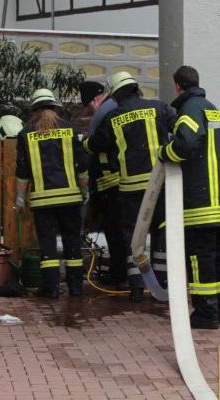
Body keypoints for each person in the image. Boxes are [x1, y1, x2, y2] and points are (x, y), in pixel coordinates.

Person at [84, 72, 176, 302]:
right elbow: (179, 129)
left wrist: (82, 142)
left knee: (133, 237)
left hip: (130, 187)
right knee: (161, 232)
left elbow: (97, 144)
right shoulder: (160, 108)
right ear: (136, 88)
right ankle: (162, 286)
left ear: (115, 94)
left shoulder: (114, 116)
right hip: (159, 184)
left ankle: (136, 288)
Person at [157, 65, 220, 329]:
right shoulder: (213, 108)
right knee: (214, 257)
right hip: (217, 198)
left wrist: (164, 153)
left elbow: (185, 144)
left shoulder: (189, 110)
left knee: (199, 260)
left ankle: (205, 313)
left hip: (198, 200)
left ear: (178, 85)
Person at [15, 88, 88, 299]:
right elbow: (82, 165)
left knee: (48, 246)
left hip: (42, 202)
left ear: (35, 110)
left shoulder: (26, 134)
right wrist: (84, 191)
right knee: (72, 242)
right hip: (71, 199)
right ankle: (75, 288)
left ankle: (51, 289)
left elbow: (22, 172)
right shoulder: (70, 130)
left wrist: (20, 200)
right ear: (55, 108)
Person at [78, 81, 127, 288]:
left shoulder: (107, 114)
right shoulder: (115, 109)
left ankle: (120, 276)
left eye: (89, 106)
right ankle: (124, 274)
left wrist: (85, 143)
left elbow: (100, 143)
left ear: (95, 99)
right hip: (120, 183)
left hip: (112, 184)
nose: (90, 111)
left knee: (116, 233)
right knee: (120, 233)